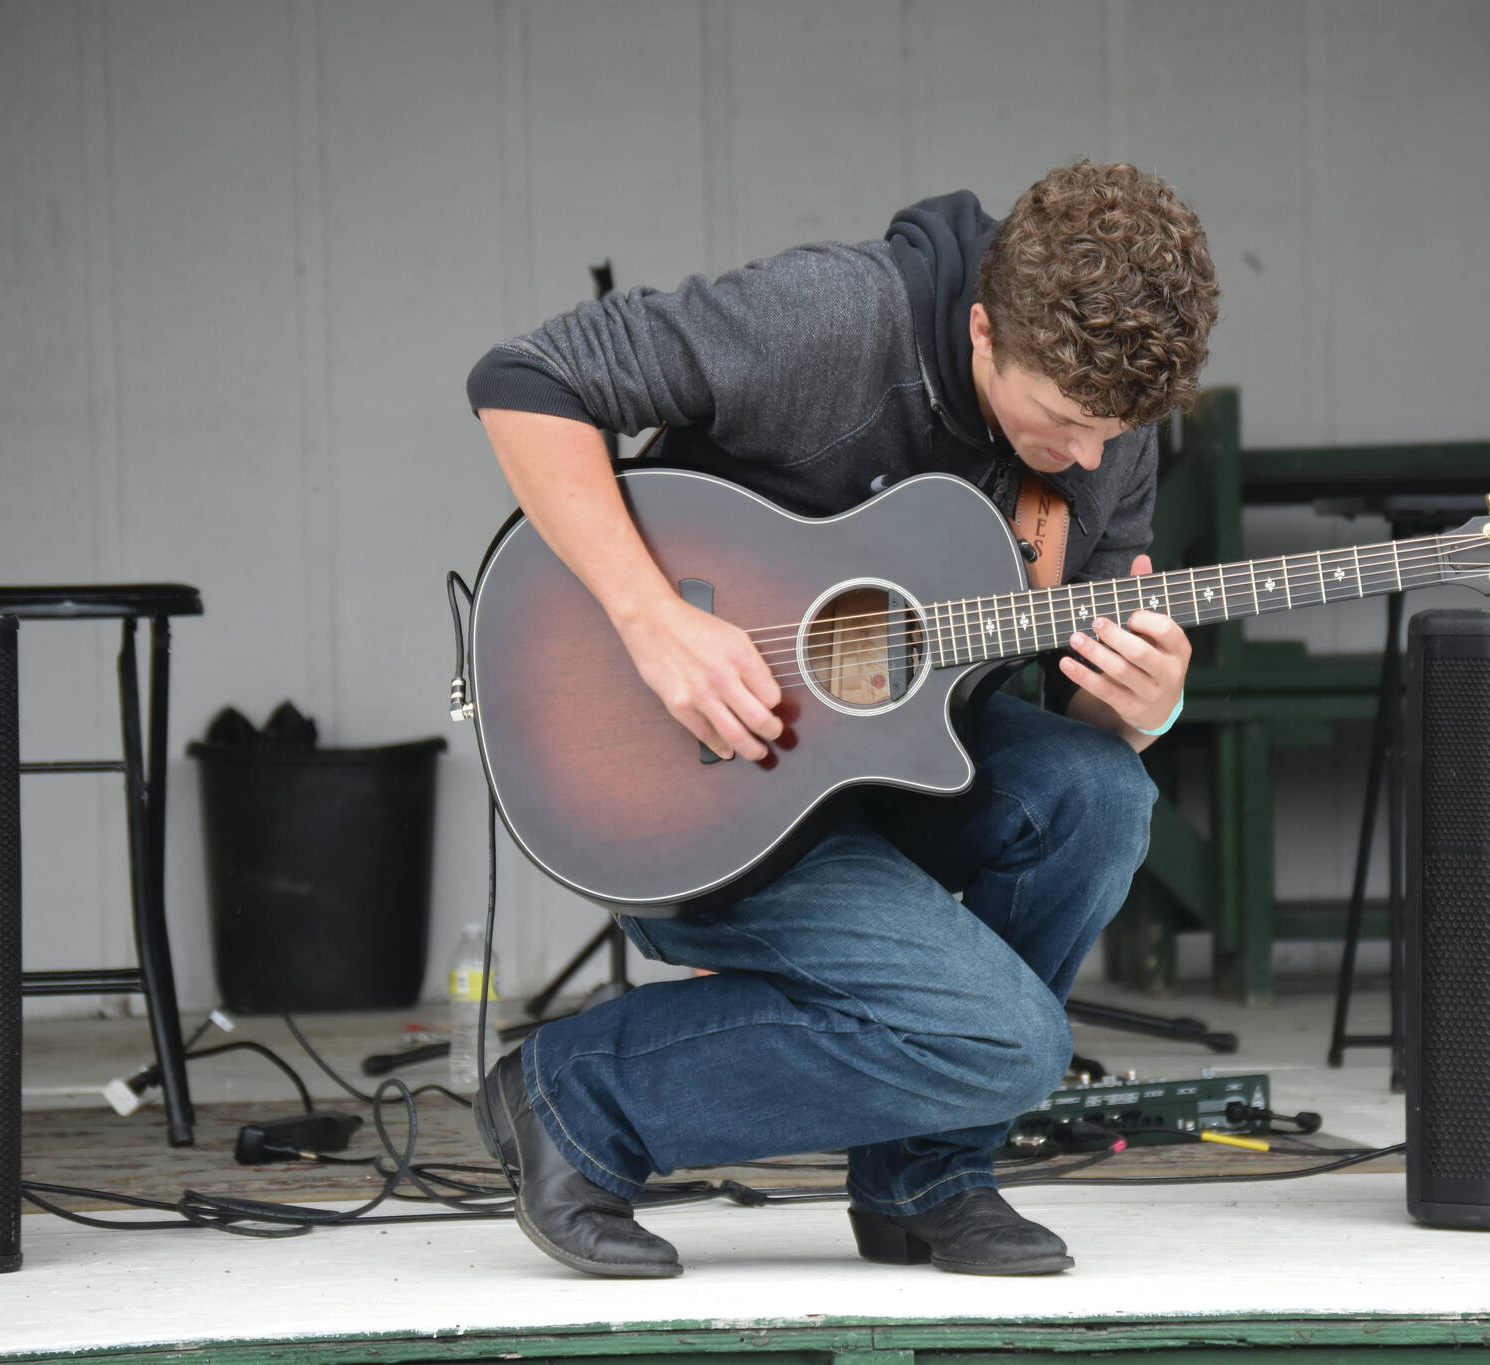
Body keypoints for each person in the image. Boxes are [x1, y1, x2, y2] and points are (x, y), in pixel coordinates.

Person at [465, 160, 1219, 1278]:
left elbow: (1070, 719)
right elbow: (523, 379)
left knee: (1101, 789)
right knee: (1011, 1047)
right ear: (978, 331)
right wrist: (653, 618)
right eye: (1063, 421)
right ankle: (579, 1097)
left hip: (900, 768)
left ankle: (926, 1179)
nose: (1093, 458)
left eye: (1119, 429)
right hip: (709, 780)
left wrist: (1141, 710)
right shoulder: (832, 320)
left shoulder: (1107, 418)